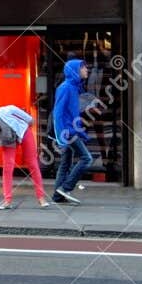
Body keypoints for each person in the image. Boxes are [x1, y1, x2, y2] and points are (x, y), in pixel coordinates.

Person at [0, 104, 50, 210]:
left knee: (32, 164)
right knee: (8, 167)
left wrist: (28, 119)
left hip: (22, 131)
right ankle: (7, 200)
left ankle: (41, 197)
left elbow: (15, 111)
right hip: (9, 141)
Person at [51, 57, 91, 205]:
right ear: (75, 70)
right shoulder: (65, 87)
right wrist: (62, 136)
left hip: (70, 130)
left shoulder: (73, 87)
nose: (86, 69)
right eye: (83, 67)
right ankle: (66, 187)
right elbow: (58, 113)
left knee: (65, 163)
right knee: (86, 158)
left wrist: (80, 132)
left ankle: (57, 196)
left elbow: (72, 114)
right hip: (67, 132)